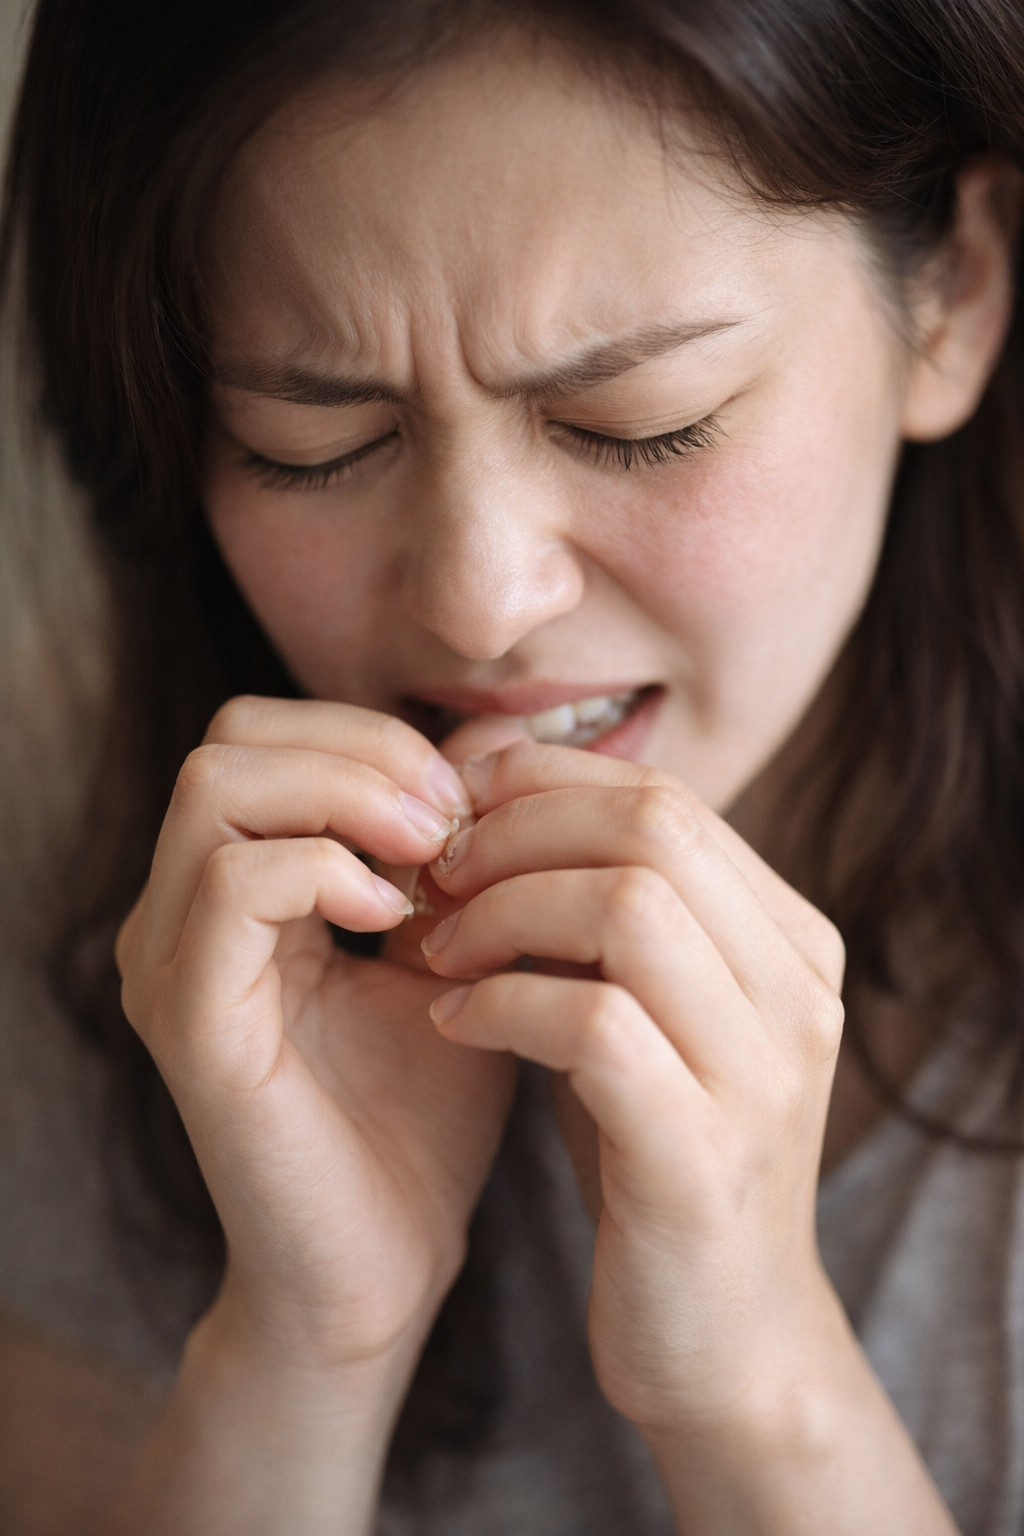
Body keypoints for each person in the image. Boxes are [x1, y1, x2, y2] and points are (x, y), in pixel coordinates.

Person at [2, 0, 1024, 1530]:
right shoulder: (70, 817)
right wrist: (303, 1353)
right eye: (310, 440)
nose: (479, 604)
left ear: (955, 290)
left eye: (637, 424)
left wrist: (760, 1386)